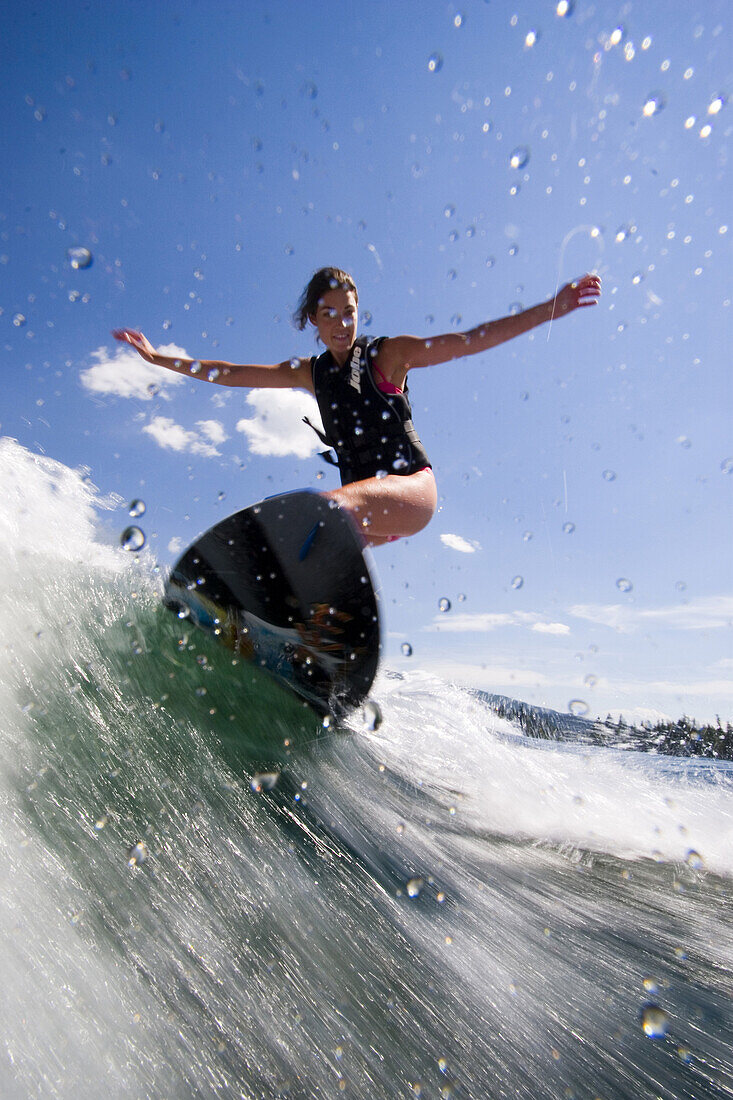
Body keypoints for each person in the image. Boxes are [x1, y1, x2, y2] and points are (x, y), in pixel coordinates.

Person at [113, 267, 601, 546]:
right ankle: (310, 639)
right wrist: (161, 360)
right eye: (330, 315)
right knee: (306, 548)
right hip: (364, 510)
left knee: (321, 511)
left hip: (411, 491)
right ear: (313, 320)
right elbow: (233, 374)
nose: (343, 324)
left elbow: (468, 341)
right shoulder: (311, 372)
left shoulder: (388, 355)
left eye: (349, 312)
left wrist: (551, 307)